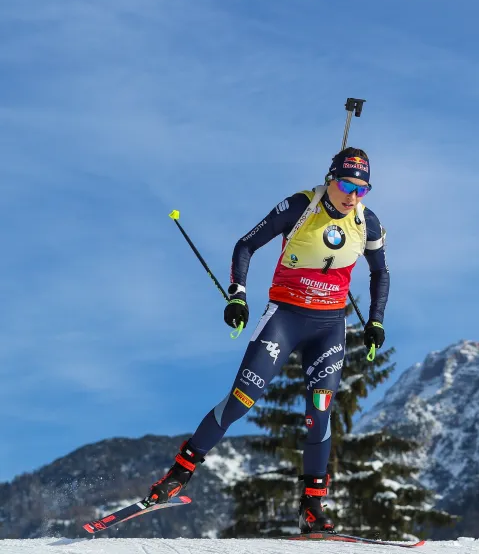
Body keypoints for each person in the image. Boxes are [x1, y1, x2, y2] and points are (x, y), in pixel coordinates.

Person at [145, 147, 389, 534]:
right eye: (346, 184)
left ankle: (312, 506)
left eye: (363, 188)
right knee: (242, 400)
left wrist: (375, 322)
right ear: (330, 180)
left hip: (329, 327)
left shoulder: (367, 222)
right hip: (285, 318)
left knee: (320, 413)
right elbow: (246, 245)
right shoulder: (300, 206)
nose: (352, 195)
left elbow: (380, 273)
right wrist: (238, 294)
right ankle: (179, 473)